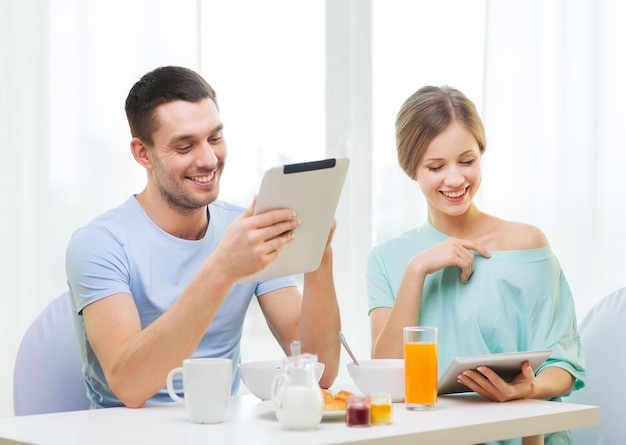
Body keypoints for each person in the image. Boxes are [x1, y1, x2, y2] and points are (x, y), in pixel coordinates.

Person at [65, 66, 341, 409]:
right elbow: (130, 385)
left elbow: (320, 370)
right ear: (142, 153)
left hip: (217, 430)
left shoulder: (243, 230)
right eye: (185, 146)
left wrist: (317, 253)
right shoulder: (99, 244)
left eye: (215, 138)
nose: (209, 159)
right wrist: (224, 267)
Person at [366, 86, 585, 444]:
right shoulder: (388, 259)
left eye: (467, 161)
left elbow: (564, 365)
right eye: (436, 167)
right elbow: (388, 377)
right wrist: (417, 270)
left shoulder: (527, 244)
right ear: (411, 170)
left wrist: (523, 391)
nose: (455, 180)